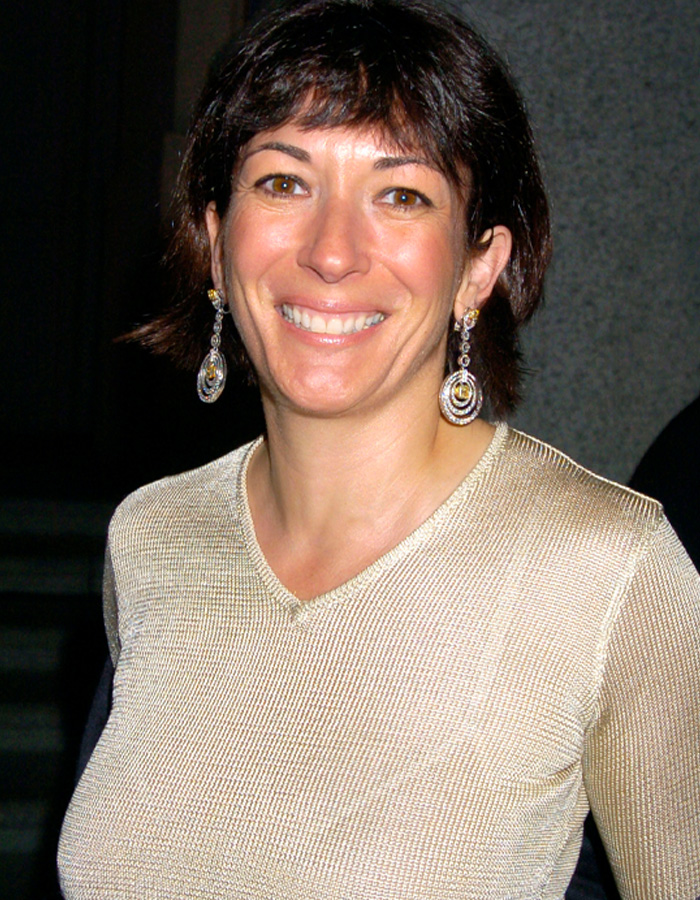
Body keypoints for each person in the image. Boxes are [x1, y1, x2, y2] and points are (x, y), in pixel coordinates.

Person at [57, 0, 700, 897]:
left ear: (478, 267)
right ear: (214, 236)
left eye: (401, 196)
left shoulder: (609, 572)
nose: (331, 251)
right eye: (284, 182)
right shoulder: (152, 535)